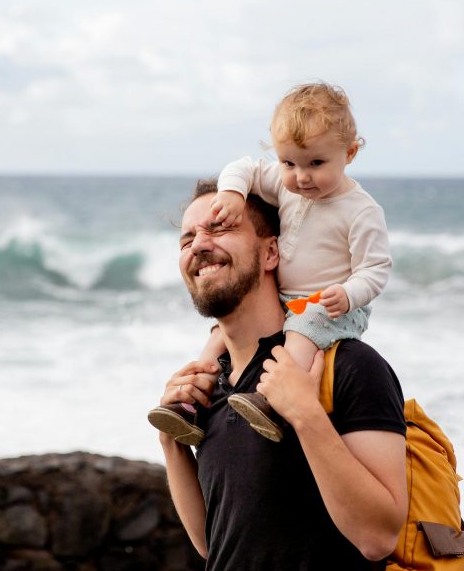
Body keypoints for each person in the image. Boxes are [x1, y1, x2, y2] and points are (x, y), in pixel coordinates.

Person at [151, 178, 407, 571]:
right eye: (187, 238)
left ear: (272, 253)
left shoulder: (346, 366)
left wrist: (305, 415)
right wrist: (171, 444)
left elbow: (378, 536)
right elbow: (215, 545)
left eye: (219, 228)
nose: (199, 246)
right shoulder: (212, 386)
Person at [149, 82, 393, 445]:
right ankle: (191, 403)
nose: (301, 177)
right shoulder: (285, 186)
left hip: (332, 306)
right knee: (219, 335)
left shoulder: (361, 211)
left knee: (302, 328)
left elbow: (375, 268)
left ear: (351, 152)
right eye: (288, 162)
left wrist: (348, 293)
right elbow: (242, 167)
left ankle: (270, 403)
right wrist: (232, 194)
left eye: (316, 163)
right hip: (288, 298)